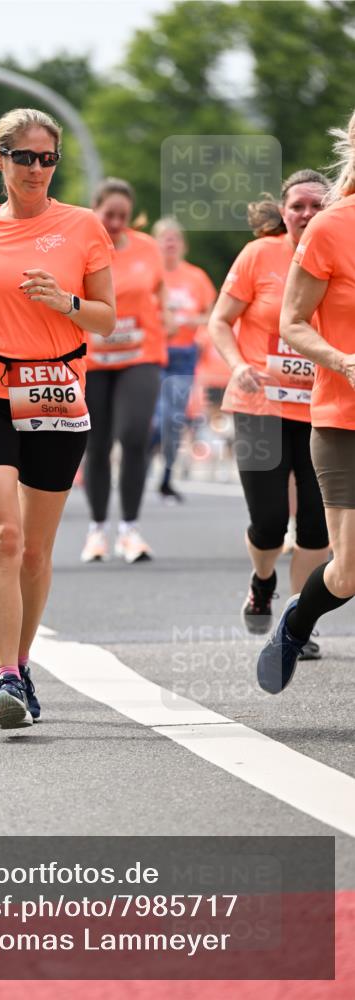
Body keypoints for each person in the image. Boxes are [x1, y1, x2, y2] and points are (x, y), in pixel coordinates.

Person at [0, 108, 115, 728]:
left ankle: (25, 663)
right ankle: (3, 676)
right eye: (24, 157)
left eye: (48, 158)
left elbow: (106, 318)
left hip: (57, 388)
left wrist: (64, 302)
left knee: (35, 551)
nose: (37, 169)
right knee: (4, 536)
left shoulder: (83, 226)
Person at [208, 172, 331, 656]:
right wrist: (237, 366)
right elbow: (219, 320)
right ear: (283, 211)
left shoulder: (344, 254)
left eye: (316, 205)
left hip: (325, 407)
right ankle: (263, 581)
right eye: (297, 205)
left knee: (318, 526)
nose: (306, 214)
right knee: (270, 522)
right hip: (260, 405)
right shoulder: (259, 256)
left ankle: (298, 621)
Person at [257, 111, 355, 693]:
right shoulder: (330, 226)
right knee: (347, 572)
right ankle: (298, 619)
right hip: (342, 419)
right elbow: (291, 321)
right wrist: (343, 361)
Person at [80, 178, 168, 564]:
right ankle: (97, 529)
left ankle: (129, 529)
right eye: (108, 214)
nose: (115, 222)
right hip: (93, 359)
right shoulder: (79, 246)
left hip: (140, 354)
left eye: (123, 216)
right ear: (95, 210)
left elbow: (160, 289)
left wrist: (164, 316)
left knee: (135, 436)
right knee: (96, 445)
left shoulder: (147, 248)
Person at [150, 217, 216, 502]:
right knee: (157, 417)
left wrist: (188, 320)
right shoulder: (148, 276)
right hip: (151, 352)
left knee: (174, 418)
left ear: (183, 245)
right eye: (164, 239)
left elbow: (212, 316)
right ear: (154, 244)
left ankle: (165, 476)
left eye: (174, 239)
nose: (170, 244)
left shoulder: (196, 278)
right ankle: (139, 455)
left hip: (182, 355)